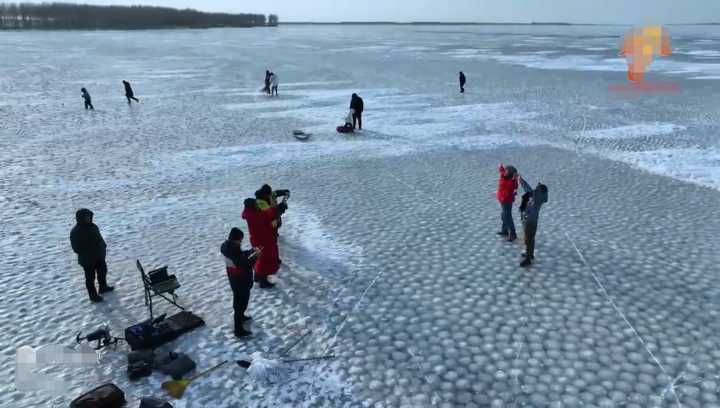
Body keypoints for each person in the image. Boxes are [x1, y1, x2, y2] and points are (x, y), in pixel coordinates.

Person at [221, 227, 260, 338]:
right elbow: (244, 264)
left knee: (240, 301)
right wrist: (255, 257)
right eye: (240, 240)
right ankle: (238, 330)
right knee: (240, 303)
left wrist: (250, 252)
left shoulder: (228, 247)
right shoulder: (233, 249)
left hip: (235, 278)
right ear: (236, 239)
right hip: (240, 279)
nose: (241, 242)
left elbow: (240, 257)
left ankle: (241, 316)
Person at [70, 209, 113, 302]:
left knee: (102, 272)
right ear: (80, 218)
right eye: (86, 217)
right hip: (88, 259)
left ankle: (103, 287)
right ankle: (93, 295)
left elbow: (99, 238)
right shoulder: (76, 231)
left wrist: (103, 246)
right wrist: (89, 248)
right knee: (90, 278)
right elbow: (76, 248)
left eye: (89, 216)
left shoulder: (93, 226)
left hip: (99, 255)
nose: (88, 218)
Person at [242, 198, 285, 288]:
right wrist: (278, 210)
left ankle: (257, 276)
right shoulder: (255, 216)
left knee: (260, 258)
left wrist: (277, 209)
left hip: (258, 240)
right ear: (253, 206)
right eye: (256, 204)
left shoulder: (251, 214)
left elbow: (265, 214)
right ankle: (264, 282)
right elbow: (267, 216)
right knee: (265, 260)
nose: (258, 206)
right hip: (264, 241)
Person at [518, 175, 548, 267]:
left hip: (530, 222)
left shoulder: (537, 198)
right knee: (530, 239)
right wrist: (522, 180)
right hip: (530, 220)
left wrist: (521, 180)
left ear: (540, 191)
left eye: (538, 188)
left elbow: (529, 190)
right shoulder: (538, 196)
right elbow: (529, 190)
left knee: (529, 240)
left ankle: (528, 259)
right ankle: (530, 254)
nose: (536, 188)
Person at [496, 164, 519, 242]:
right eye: (505, 170)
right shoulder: (504, 176)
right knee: (504, 215)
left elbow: (511, 188)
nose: (504, 172)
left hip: (507, 201)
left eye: (506, 171)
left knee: (507, 217)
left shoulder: (511, 182)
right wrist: (501, 168)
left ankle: (512, 234)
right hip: (502, 200)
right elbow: (502, 172)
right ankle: (505, 231)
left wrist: (513, 179)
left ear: (510, 174)